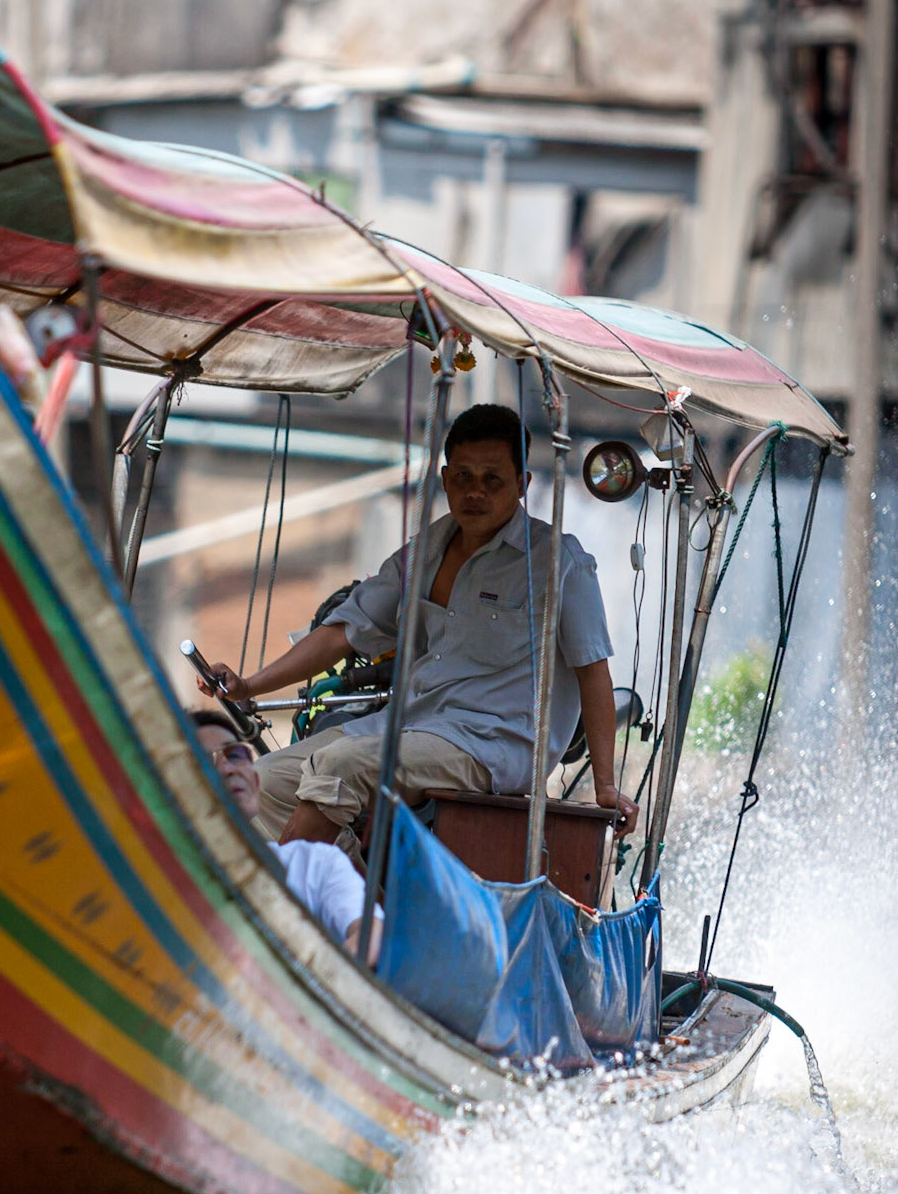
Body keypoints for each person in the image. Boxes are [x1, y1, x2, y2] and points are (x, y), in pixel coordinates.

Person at [200, 402, 639, 847]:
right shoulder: (425, 550)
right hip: (407, 726)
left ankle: (308, 896)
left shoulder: (560, 562)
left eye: (493, 480)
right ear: (447, 480)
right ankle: (348, 880)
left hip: (492, 746)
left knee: (340, 764)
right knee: (259, 780)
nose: (475, 493)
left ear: (523, 485)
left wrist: (605, 784)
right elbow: (344, 630)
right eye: (464, 478)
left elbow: (592, 671)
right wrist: (249, 686)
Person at [192, 707, 382, 966]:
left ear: (256, 783)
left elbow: (371, 935)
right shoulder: (164, 874)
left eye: (235, 754)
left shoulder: (315, 863)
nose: (227, 768)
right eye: (204, 758)